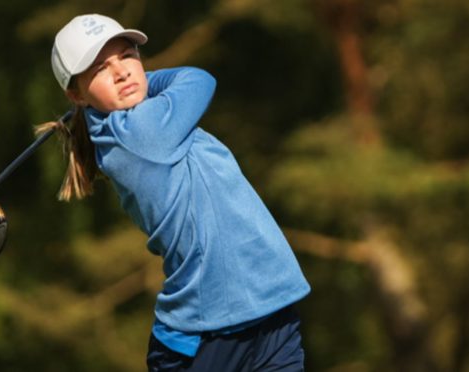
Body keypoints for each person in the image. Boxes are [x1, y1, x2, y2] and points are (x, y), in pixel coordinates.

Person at [42, 13, 311, 371]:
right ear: (75, 94)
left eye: (127, 56)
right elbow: (197, 79)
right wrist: (145, 81)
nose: (122, 72)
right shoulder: (137, 134)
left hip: (269, 313)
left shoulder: (138, 123)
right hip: (208, 338)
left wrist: (108, 90)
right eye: (100, 69)